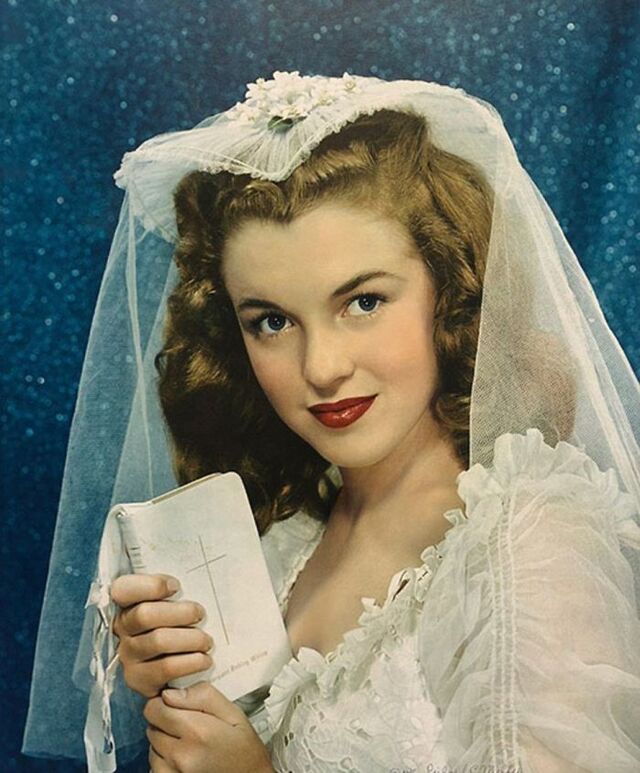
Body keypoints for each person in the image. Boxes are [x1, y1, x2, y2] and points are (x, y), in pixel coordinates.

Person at [22, 72, 640, 773]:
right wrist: (180, 688)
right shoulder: (290, 536)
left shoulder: (527, 547)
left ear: (453, 287)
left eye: (364, 301)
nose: (321, 367)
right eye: (272, 321)